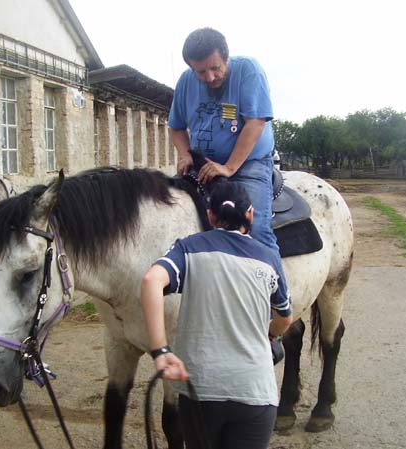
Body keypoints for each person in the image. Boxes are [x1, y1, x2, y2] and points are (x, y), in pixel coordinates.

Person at [141, 183, 293, 449]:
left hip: (201, 390)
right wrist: (269, 333)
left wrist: (161, 350)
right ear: (251, 214)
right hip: (255, 392)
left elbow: (151, 280)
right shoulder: (269, 257)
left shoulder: (188, 248)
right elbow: (285, 319)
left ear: (210, 216)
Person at [169, 27, 289, 291]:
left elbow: (255, 122)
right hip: (203, 163)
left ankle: (278, 310)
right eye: (200, 72)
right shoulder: (186, 82)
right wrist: (184, 154)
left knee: (254, 228)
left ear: (226, 57)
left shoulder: (248, 70)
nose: (209, 77)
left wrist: (229, 167)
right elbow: (176, 127)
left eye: (215, 68)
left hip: (248, 164)